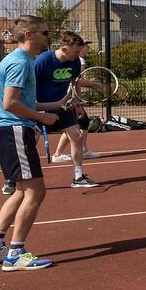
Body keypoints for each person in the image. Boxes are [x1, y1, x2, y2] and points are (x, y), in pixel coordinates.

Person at [0, 15, 63, 271]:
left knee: (20, 190)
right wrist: (41, 118)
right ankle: (15, 253)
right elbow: (10, 103)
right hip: (13, 129)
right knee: (36, 191)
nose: (49, 37)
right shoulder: (19, 62)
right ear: (29, 33)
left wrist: (54, 107)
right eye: (45, 33)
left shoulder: (24, 61)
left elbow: (23, 101)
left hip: (11, 130)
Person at [33, 31, 99, 188]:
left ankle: (78, 176)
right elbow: (30, 84)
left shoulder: (74, 62)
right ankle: (13, 179)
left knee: (76, 136)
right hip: (39, 107)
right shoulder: (44, 60)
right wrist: (37, 109)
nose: (78, 55)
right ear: (64, 49)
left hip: (62, 106)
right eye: (76, 52)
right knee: (29, 144)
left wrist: (78, 102)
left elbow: (75, 82)